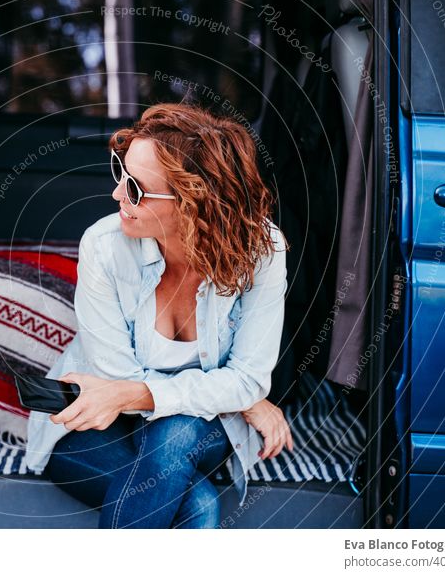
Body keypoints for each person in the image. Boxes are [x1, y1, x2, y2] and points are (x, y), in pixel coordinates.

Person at [23, 102, 293, 528]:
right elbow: (113, 377)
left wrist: (245, 392)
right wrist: (241, 400)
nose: (117, 195)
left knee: (175, 435)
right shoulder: (104, 245)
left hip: (187, 431)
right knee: (198, 505)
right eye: (120, 173)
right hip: (94, 427)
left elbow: (248, 378)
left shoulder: (262, 251)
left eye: (135, 188)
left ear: (193, 202)